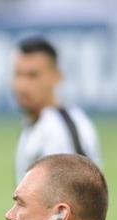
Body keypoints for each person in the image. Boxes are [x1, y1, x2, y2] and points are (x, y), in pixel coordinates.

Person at [13, 36, 102, 185]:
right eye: (18, 75)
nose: (22, 85)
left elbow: (80, 197)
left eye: (33, 75)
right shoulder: (37, 124)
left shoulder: (62, 129)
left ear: (56, 77)